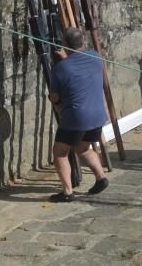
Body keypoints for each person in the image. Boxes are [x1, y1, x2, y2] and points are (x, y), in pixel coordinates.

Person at [48, 28, 110, 202]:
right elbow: (80, 69)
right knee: (82, 148)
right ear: (83, 40)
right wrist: (67, 59)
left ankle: (67, 192)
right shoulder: (96, 57)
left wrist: (63, 62)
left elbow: (54, 97)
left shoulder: (60, 68)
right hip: (98, 115)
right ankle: (101, 177)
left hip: (76, 118)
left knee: (60, 152)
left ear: (65, 44)